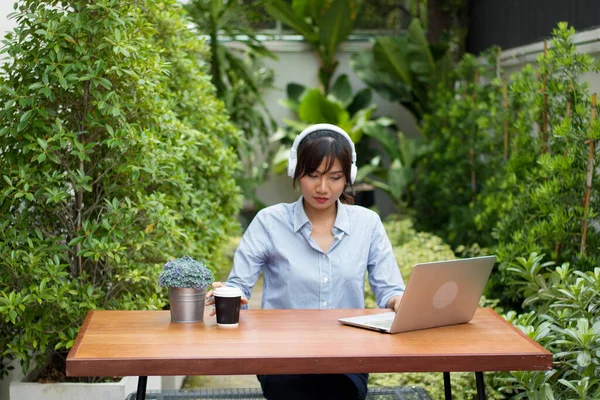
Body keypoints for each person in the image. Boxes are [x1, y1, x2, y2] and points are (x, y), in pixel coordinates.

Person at [206, 123, 405, 400]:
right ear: (295, 170)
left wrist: (402, 302)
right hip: (280, 355)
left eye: (335, 177)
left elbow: (390, 291)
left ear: (349, 177)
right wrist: (231, 294)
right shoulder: (269, 222)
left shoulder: (367, 224)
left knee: (337, 392)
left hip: (348, 359)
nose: (323, 188)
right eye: (312, 175)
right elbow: (240, 286)